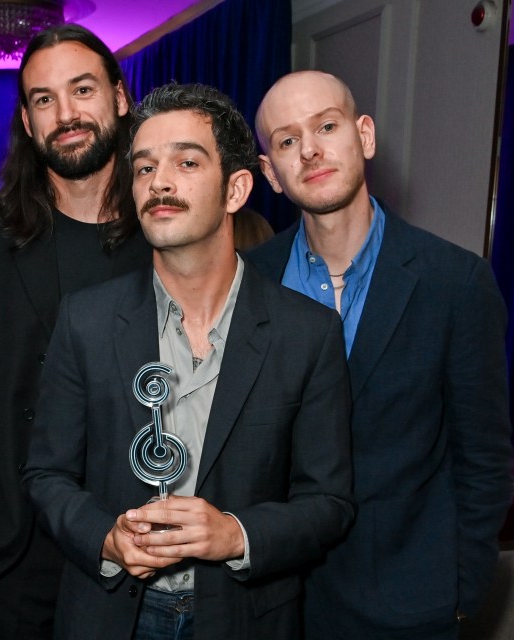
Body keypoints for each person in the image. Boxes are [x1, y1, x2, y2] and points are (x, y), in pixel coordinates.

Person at [23, 82, 354, 640]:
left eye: (187, 162)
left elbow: (329, 502)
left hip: (242, 617)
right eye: (146, 168)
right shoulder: (86, 320)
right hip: (112, 615)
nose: (161, 183)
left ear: (236, 189)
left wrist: (235, 534)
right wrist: (106, 537)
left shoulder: (308, 332)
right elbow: (45, 474)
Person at [249, 70, 513, 639]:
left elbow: (484, 459)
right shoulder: (250, 282)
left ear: (364, 136)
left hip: (407, 606)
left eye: (326, 126)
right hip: (275, 603)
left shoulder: (455, 282)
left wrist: (461, 595)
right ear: (270, 172)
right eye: (288, 140)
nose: (311, 150)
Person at [0, 24, 151, 639]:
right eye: (44, 99)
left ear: (120, 97)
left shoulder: (168, 234)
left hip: (144, 560)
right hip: (16, 558)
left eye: (82, 89)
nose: (66, 113)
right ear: (27, 121)